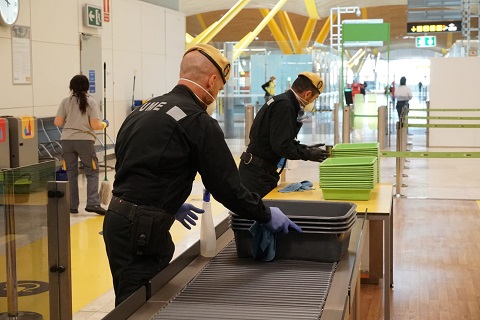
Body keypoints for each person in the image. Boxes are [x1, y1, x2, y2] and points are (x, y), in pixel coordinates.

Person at [102, 44, 302, 306]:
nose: (217, 93)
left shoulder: (143, 110)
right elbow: (227, 188)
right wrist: (265, 214)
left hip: (116, 219)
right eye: (219, 87)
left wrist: (166, 203)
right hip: (142, 230)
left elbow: (132, 166)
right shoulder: (198, 120)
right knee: (140, 307)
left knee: (128, 300)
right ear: (211, 80)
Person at [239, 72, 330, 198]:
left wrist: (306, 148)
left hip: (259, 171)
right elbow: (282, 146)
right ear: (307, 94)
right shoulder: (285, 106)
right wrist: (309, 154)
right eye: (314, 98)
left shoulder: (282, 101)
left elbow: (280, 139)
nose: (312, 102)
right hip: (257, 176)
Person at [54, 75, 109, 215]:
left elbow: (58, 122)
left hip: (67, 140)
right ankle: (93, 203)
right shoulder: (91, 102)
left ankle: (72, 206)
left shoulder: (65, 102)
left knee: (71, 173)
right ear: (87, 87)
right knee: (91, 171)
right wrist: (105, 124)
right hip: (84, 141)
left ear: (71, 87)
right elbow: (95, 125)